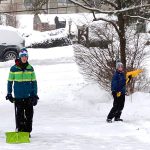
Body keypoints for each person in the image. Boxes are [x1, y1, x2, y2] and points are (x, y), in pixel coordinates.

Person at [6, 48, 39, 136]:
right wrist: (9, 93)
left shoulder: (30, 68)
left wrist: (35, 95)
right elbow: (10, 82)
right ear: (20, 57)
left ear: (27, 58)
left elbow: (34, 82)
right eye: (22, 56)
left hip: (29, 97)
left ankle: (27, 132)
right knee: (19, 116)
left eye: (26, 56)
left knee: (29, 116)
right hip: (18, 97)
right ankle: (20, 131)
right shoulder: (14, 69)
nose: (24, 58)